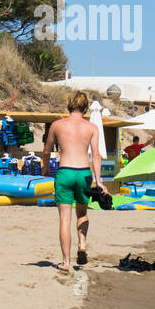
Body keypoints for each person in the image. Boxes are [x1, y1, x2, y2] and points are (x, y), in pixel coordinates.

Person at [42, 92, 110, 271]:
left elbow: (46, 151)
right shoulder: (92, 127)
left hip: (64, 172)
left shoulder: (57, 125)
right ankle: (82, 244)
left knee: (65, 219)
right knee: (82, 213)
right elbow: (96, 155)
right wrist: (99, 181)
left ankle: (65, 262)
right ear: (86, 107)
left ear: (69, 104)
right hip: (83, 174)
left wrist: (44, 169)